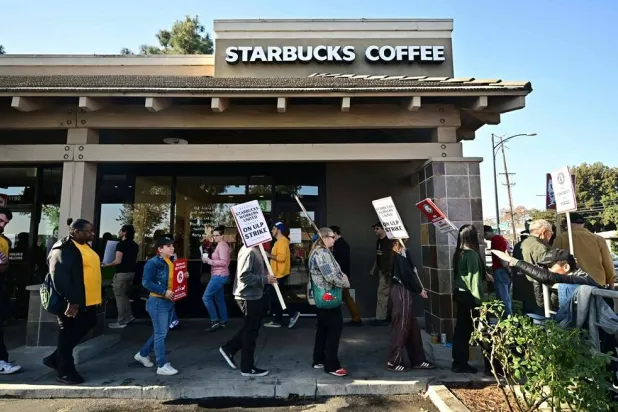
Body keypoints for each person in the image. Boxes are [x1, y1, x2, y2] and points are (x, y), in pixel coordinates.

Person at [44, 218, 102, 384]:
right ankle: (64, 371)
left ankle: (55, 359)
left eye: (92, 230)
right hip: (72, 302)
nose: (92, 234)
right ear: (75, 231)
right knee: (67, 334)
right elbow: (59, 276)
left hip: (87, 300)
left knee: (88, 322)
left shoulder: (83, 246)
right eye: (88, 231)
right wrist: (72, 300)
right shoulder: (63, 248)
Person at [219, 244, 277, 377]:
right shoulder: (249, 251)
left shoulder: (256, 250)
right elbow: (244, 276)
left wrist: (265, 275)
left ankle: (229, 348)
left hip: (254, 295)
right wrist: (265, 279)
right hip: (247, 297)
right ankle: (247, 367)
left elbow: (253, 272)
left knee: (251, 328)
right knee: (250, 332)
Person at [134, 236, 179, 376]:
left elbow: (171, 278)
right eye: (168, 246)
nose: (172, 248)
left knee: (162, 331)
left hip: (168, 301)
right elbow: (146, 282)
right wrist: (164, 291)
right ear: (159, 249)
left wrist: (182, 275)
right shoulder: (152, 263)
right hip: (158, 301)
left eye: (172, 245)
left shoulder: (170, 261)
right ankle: (162, 364)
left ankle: (142, 354)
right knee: (161, 333)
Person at [387, 239, 434, 372]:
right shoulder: (398, 255)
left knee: (412, 327)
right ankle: (394, 360)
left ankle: (418, 359)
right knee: (401, 326)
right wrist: (419, 289)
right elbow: (406, 275)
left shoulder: (401, 254)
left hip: (401, 291)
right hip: (401, 291)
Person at [452, 224, 493, 374]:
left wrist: (484, 274)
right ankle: (491, 366)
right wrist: (481, 303)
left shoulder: (458, 253)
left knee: (461, 331)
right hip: (472, 297)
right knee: (485, 331)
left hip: (460, 295)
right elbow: (474, 281)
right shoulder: (472, 255)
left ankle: (459, 363)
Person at [309, 227, 350, 377]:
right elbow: (330, 276)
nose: (334, 239)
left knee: (323, 330)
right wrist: (344, 282)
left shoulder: (317, 251)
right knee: (334, 329)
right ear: (324, 238)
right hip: (328, 297)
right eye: (332, 237)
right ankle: (331, 365)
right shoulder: (322, 253)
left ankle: (319, 359)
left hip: (322, 298)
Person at [553, 213, 615, 288]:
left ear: (567, 223)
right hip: (598, 283)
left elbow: (554, 263)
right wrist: (611, 282)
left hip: (572, 284)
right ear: (583, 223)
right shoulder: (598, 239)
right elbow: (608, 263)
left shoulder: (560, 239)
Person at [264, 222, 301, 329]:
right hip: (277, 273)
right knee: (275, 297)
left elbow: (281, 258)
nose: (272, 231)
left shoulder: (282, 242)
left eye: (273, 229)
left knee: (276, 297)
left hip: (279, 274)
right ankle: (278, 320)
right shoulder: (279, 242)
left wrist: (269, 255)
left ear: (279, 230)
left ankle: (292, 314)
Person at [103, 225, 139, 329]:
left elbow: (118, 261)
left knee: (120, 297)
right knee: (125, 296)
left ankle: (121, 321)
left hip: (121, 273)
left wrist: (106, 265)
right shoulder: (135, 245)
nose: (119, 232)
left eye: (120, 231)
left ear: (124, 232)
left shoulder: (121, 244)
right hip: (132, 273)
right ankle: (129, 317)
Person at [0, 207, 21, 375]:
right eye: (1, 221)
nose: (3, 225)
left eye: (5, 223)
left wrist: (4, 263)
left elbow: (4, 267)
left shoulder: (4, 241)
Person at [518, 219, 553, 311]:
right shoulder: (540, 247)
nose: (551, 235)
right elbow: (548, 268)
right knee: (541, 317)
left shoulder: (520, 244)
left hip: (522, 285)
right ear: (544, 232)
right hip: (538, 288)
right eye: (551, 232)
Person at [330, 226, 362, 326]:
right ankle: (356, 318)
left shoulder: (341, 245)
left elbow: (341, 261)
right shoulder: (341, 244)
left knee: (340, 298)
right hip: (343, 275)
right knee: (346, 297)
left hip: (341, 275)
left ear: (334, 233)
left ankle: (355, 319)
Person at [201, 225, 231, 332]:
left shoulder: (222, 246)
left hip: (219, 275)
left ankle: (215, 320)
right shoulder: (220, 245)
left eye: (217, 235)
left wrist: (209, 261)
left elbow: (224, 262)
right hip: (219, 275)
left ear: (222, 236)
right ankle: (223, 320)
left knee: (206, 297)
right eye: (214, 236)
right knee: (219, 299)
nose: (215, 237)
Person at [484, 225, 512, 316]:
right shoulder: (501, 239)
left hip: (500, 270)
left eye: (484, 235)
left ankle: (507, 318)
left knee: (502, 297)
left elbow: (501, 257)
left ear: (487, 232)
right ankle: (507, 316)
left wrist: (508, 270)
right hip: (503, 269)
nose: (484, 238)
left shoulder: (496, 240)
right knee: (506, 296)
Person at [369, 222, 393, 326]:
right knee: (385, 294)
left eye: (377, 228)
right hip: (381, 271)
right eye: (374, 229)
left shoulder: (389, 242)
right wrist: (373, 269)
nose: (375, 230)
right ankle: (385, 316)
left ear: (384, 229)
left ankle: (381, 318)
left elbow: (391, 258)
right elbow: (377, 255)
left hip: (386, 272)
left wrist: (388, 272)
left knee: (382, 294)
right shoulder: (379, 241)